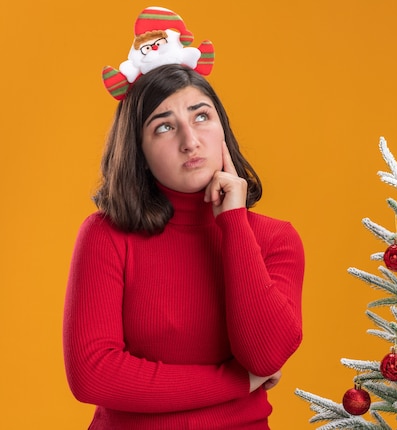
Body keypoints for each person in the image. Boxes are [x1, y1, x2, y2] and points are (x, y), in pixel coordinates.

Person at [63, 8, 304, 430]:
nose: (190, 141)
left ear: (222, 129)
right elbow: (93, 375)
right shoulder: (105, 235)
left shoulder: (274, 239)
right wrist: (240, 383)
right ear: (138, 149)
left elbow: (265, 356)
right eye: (163, 127)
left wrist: (233, 223)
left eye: (201, 116)